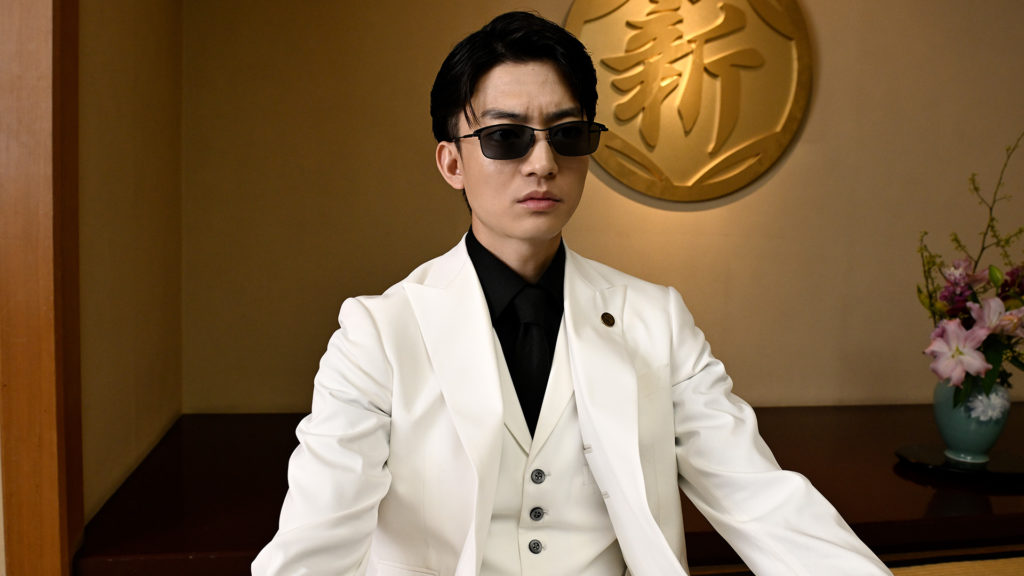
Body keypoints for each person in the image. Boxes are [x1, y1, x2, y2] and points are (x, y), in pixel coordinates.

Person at [253, 11, 891, 576]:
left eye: (566, 134)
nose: (542, 163)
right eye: (506, 137)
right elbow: (315, 541)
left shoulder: (656, 321)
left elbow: (761, 499)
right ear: (451, 163)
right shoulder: (377, 334)